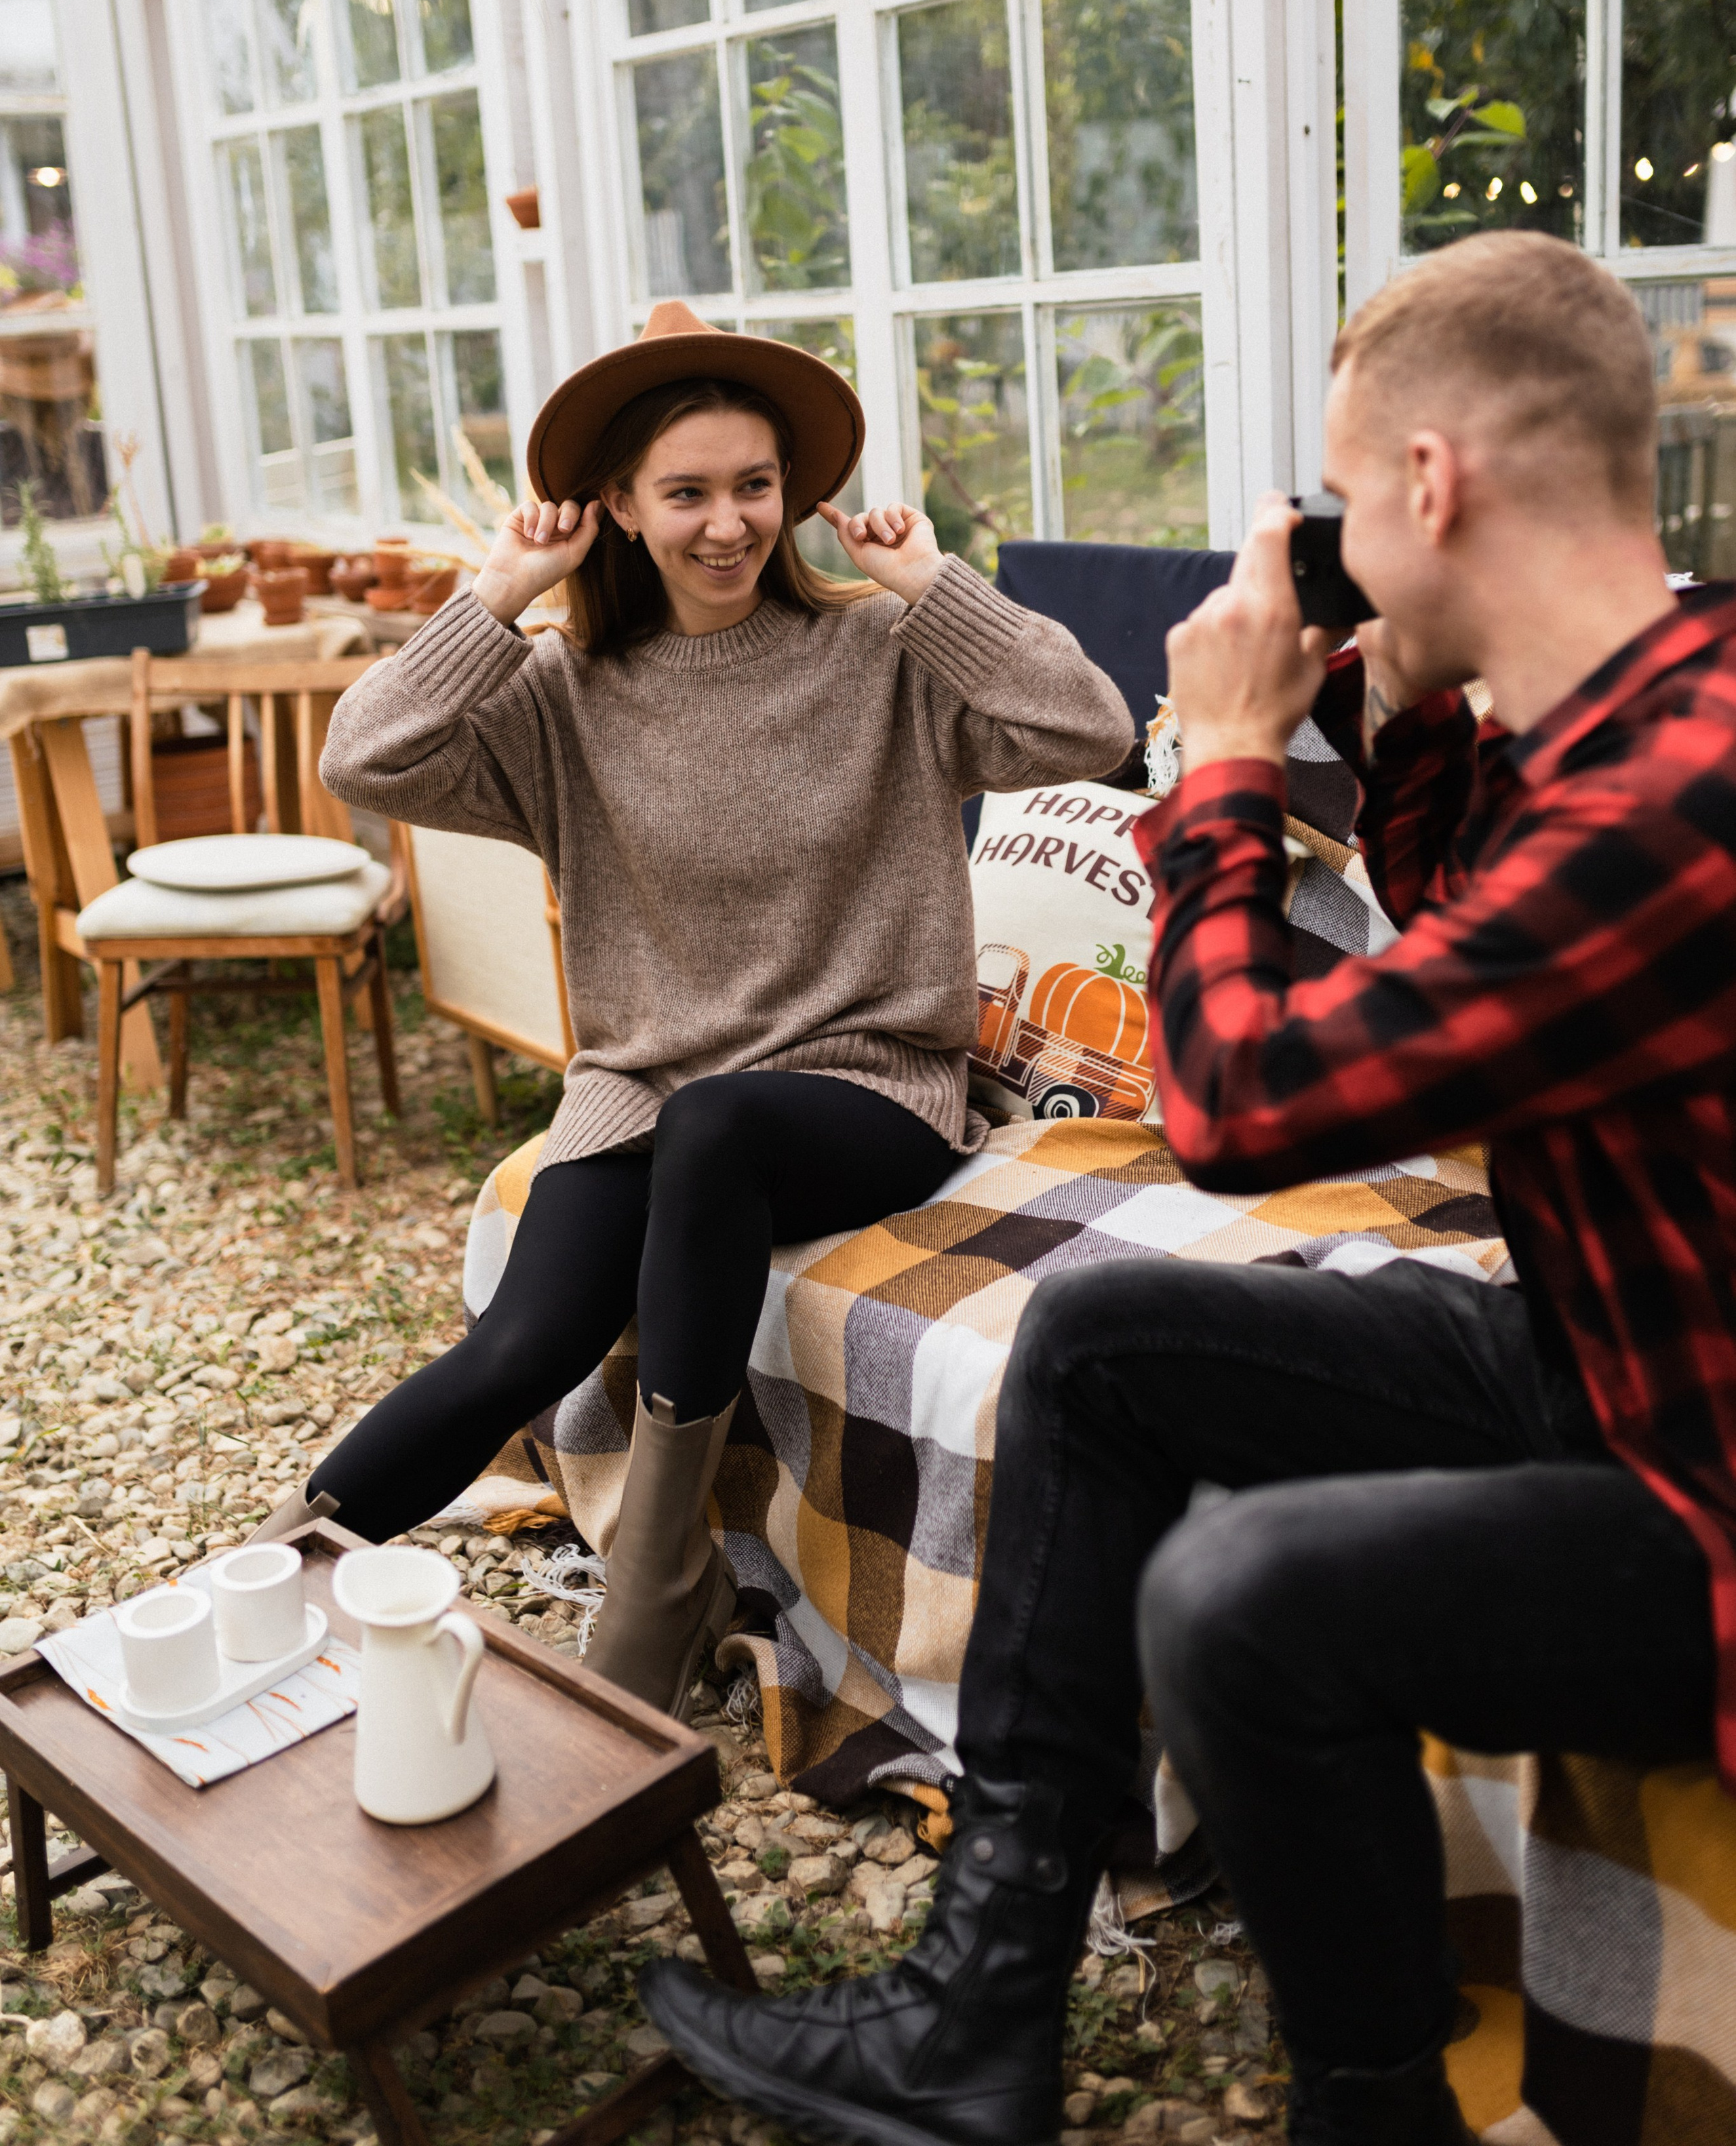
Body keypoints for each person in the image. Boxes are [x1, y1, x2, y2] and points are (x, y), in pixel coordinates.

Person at [639, 233, 1734, 2146]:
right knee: (1106, 1331)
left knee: (1242, 1599)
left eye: (1339, 486)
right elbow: (1471, 925)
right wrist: (1395, 706)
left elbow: (1240, 1102)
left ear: (1427, 485)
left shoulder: (1687, 799)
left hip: (1706, 1491)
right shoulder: (1649, 716)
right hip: (1618, 1371)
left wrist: (1222, 766)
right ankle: (979, 2018)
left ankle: (1371, 2111)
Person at [251, 300, 1132, 1717]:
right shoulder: (562, 693)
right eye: (686, 493)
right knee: (520, 1348)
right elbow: (367, 760)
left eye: (753, 487)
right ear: (616, 506)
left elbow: (1091, 731)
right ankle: (258, 1601)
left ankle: (650, 1601)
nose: (727, 523)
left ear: (792, 497)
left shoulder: (880, 658)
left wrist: (932, 588)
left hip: (868, 1087)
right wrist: (495, 595)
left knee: (719, 1124)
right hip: (644, 1091)